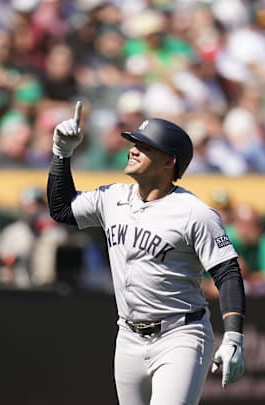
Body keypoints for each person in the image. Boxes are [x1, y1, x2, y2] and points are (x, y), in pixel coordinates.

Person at [47, 105, 246, 404]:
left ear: (169, 162)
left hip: (180, 335)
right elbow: (61, 209)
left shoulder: (195, 213)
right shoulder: (112, 197)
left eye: (145, 146)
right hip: (127, 336)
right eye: (134, 144)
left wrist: (233, 336)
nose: (134, 151)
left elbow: (227, 273)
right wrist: (61, 153)